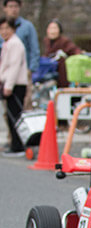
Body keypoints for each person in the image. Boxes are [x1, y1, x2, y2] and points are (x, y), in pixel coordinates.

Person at [1, 0, 37, 109]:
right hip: (5, 75)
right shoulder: (3, 27)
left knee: (21, 107)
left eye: (15, 6)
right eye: (10, 6)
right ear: (5, 8)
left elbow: (34, 50)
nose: (13, 9)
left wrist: (30, 70)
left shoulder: (27, 27)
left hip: (21, 74)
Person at [0, 15, 28, 154]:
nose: (4, 31)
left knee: (15, 116)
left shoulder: (15, 44)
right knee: (10, 115)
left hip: (15, 84)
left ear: (13, 29)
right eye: (1, 29)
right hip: (10, 83)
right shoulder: (8, 43)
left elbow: (14, 67)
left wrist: (8, 86)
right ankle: (14, 144)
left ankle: (18, 146)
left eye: (7, 28)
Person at [42, 19, 82, 88]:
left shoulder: (64, 41)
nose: (52, 31)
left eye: (55, 28)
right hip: (49, 70)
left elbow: (74, 50)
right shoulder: (46, 42)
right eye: (50, 28)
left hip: (61, 74)